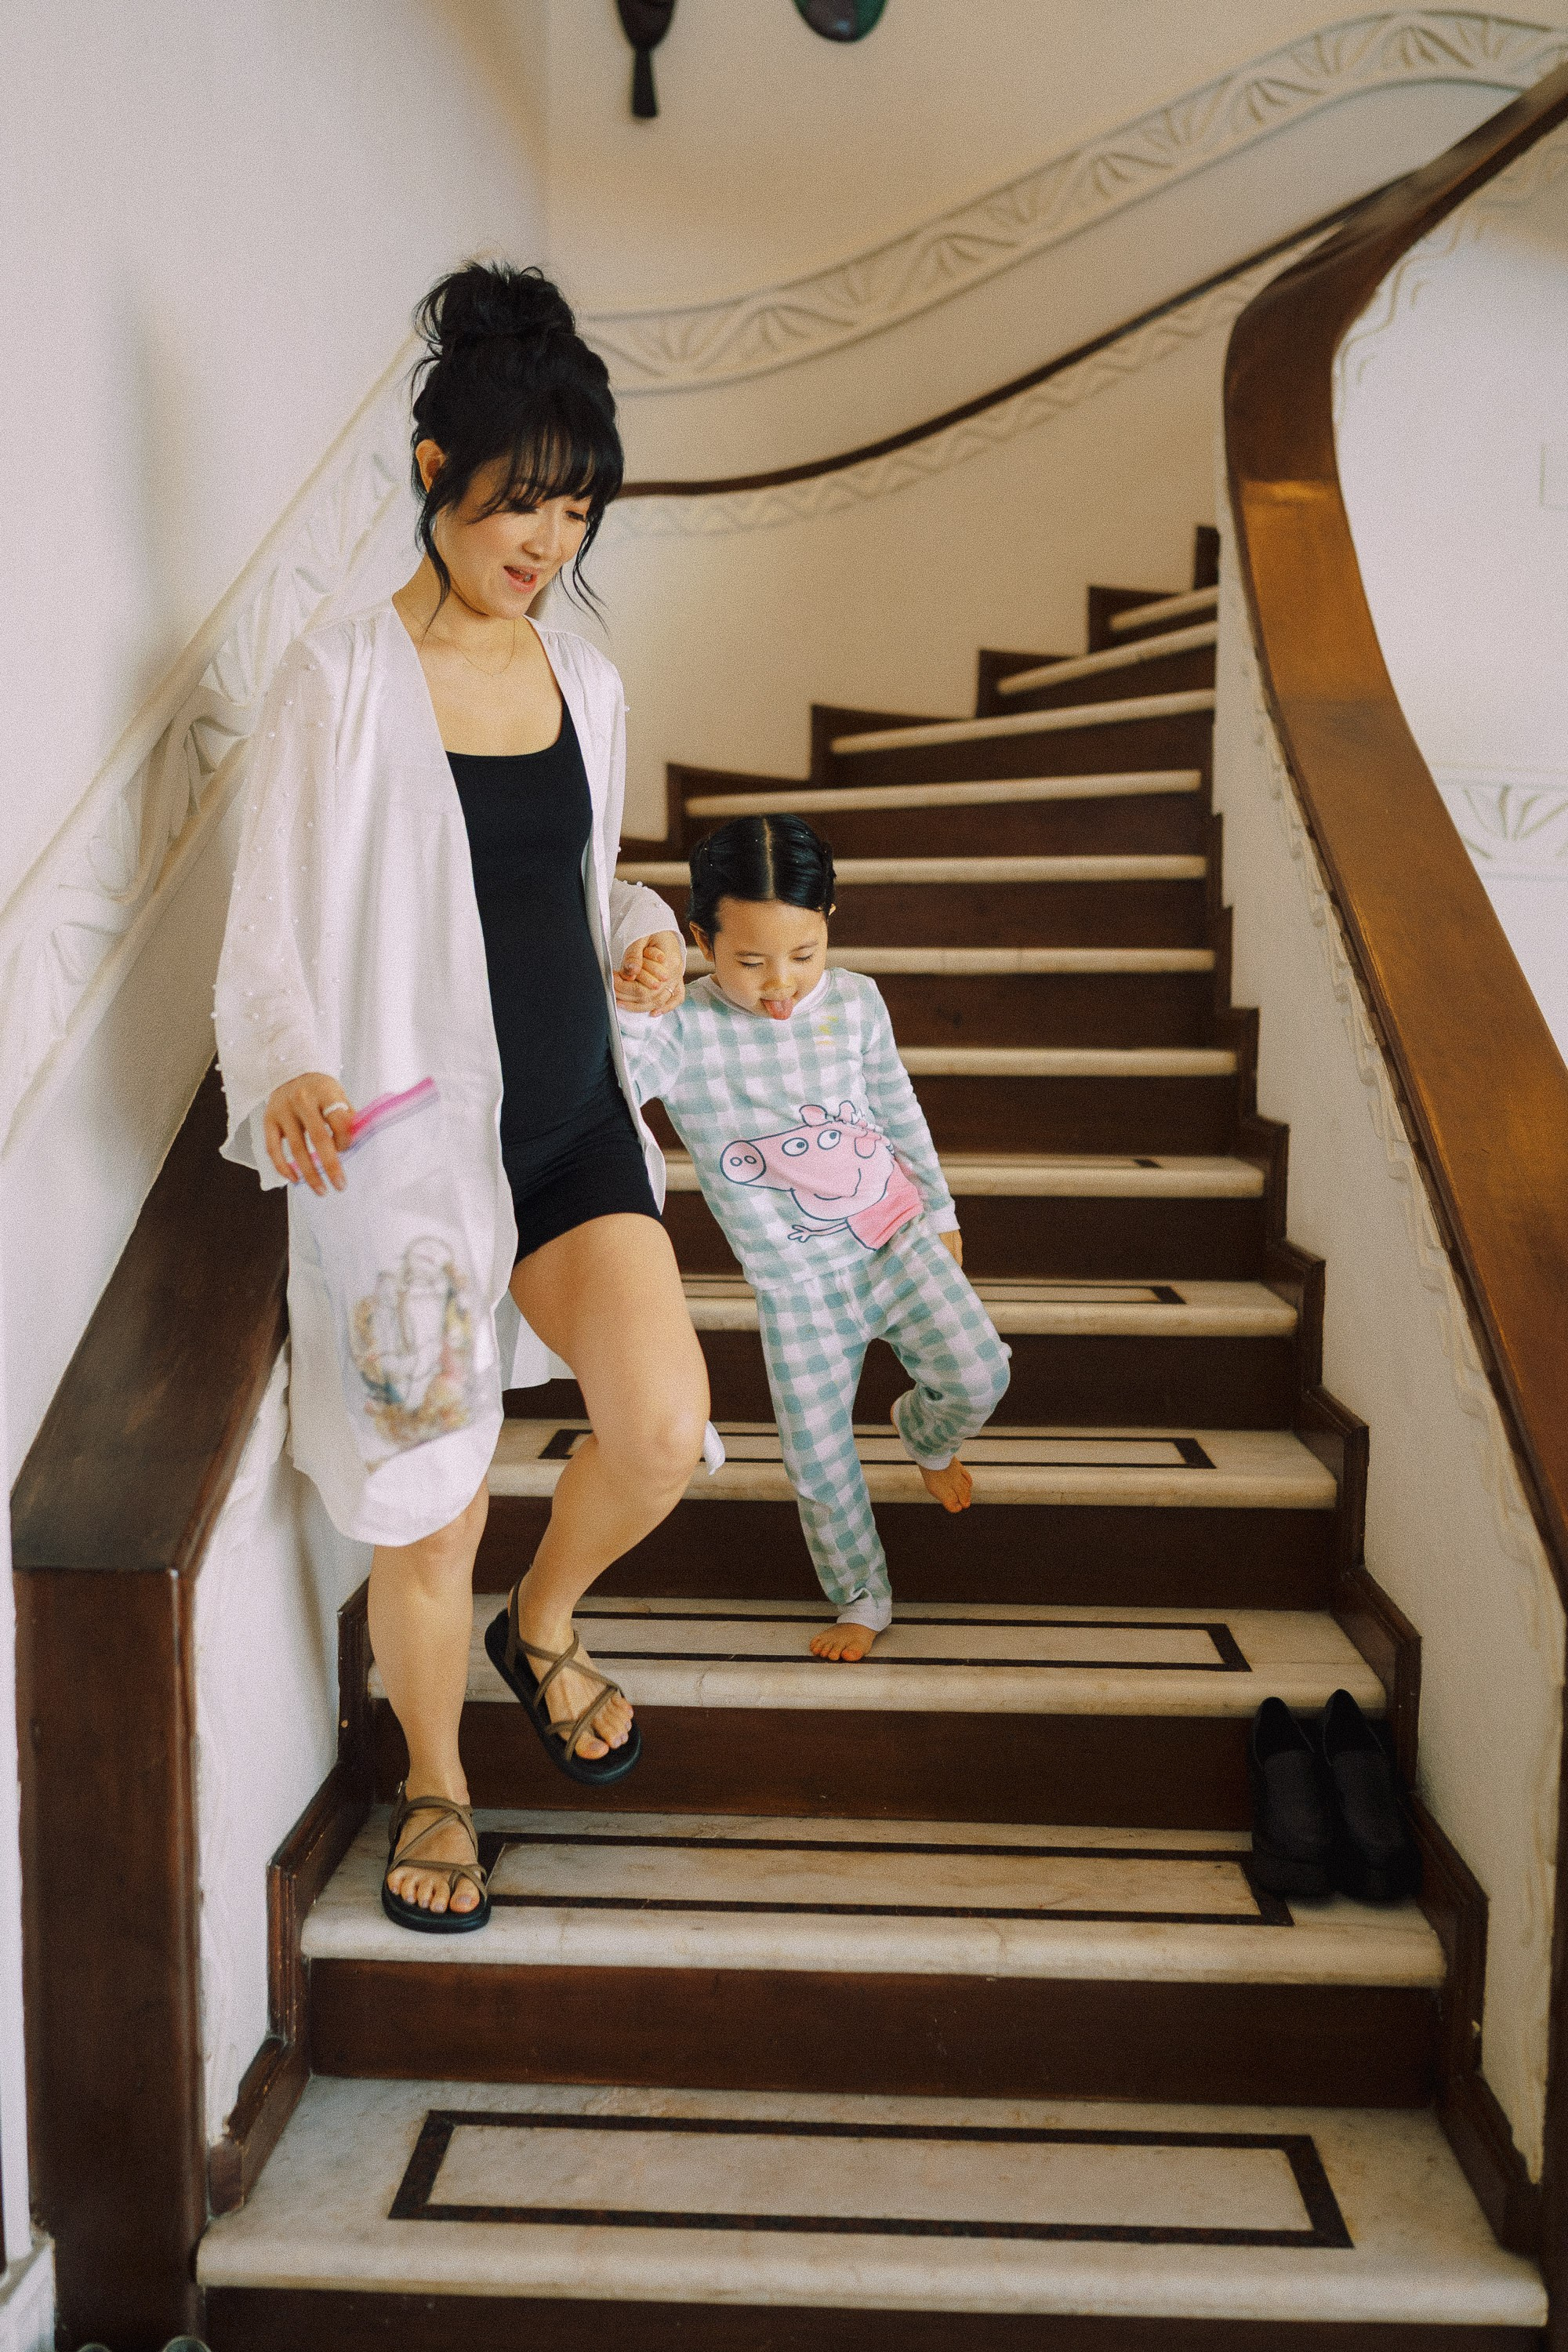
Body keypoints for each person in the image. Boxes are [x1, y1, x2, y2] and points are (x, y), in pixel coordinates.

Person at [213, 262, 710, 1933]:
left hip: (571, 1126)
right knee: (431, 1509)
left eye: (576, 509)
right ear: (436, 473)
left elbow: (578, 885)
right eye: (519, 502)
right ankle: (436, 1777)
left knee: (659, 1430)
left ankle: (543, 1623)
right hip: (412, 1160)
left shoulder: (588, 679)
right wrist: (287, 1056)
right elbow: (269, 922)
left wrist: (642, 934)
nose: (547, 540)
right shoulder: (339, 678)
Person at [618, 815, 1011, 1660]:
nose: (780, 984)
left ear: (829, 920)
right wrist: (638, 998)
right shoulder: (683, 1030)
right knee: (817, 1457)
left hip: (893, 1237)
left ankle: (925, 1434)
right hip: (795, 1286)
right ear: (701, 942)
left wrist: (941, 1215)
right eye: (750, 961)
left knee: (982, 1372)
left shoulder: (857, 1002)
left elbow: (897, 1109)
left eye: (804, 954)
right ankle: (862, 1597)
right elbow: (617, 1084)